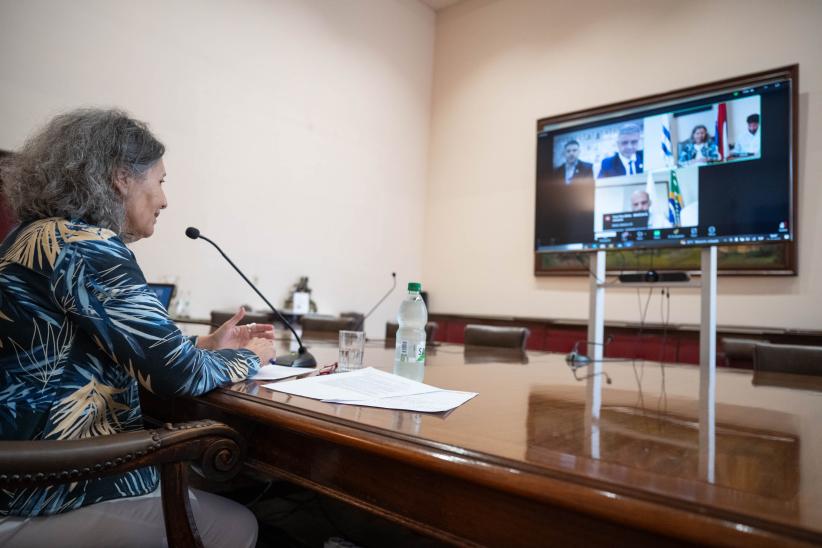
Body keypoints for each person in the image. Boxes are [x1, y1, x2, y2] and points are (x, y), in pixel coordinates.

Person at [0, 109, 275, 547]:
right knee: (239, 522)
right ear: (121, 177)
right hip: (44, 490)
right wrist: (249, 357)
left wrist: (202, 345)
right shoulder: (88, 247)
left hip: (18, 475)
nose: (165, 200)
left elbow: (83, 348)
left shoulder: (32, 237)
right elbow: (177, 375)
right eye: (160, 181)